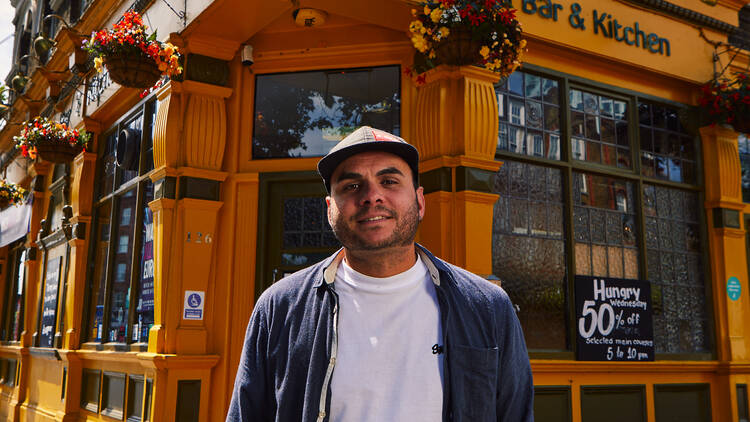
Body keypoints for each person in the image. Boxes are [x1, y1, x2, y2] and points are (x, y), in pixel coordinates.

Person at [227, 126, 534, 422]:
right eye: (351, 186)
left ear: (420, 201)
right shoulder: (280, 307)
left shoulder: (486, 306)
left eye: (389, 181)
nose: (372, 196)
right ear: (329, 208)